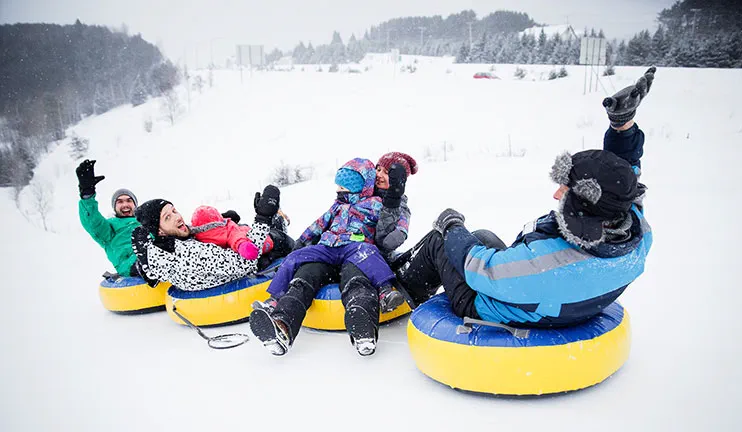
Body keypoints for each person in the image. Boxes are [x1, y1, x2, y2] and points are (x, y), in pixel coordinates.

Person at [397, 67, 656, 328]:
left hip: (490, 305)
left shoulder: (550, 262)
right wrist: (622, 126)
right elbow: (623, 179)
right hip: (551, 296)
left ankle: (402, 296)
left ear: (585, 205)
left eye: (566, 187)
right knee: (483, 236)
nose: (556, 194)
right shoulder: (634, 232)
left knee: (440, 242)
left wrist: (452, 225)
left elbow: (480, 268)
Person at [250, 158, 397, 356]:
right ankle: (279, 317)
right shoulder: (336, 206)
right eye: (338, 186)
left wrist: (394, 201)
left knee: (366, 261)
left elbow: (387, 228)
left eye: (343, 187)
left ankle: (373, 311)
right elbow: (318, 225)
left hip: (355, 248)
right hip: (328, 248)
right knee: (297, 263)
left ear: (359, 187)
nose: (339, 190)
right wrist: (301, 244)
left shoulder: (375, 204)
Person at [131, 185, 290, 291]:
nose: (177, 217)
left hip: (225, 258)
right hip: (248, 265)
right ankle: (278, 224)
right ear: (160, 231)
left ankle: (275, 223)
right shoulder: (187, 254)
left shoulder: (162, 249)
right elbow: (246, 262)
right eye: (167, 217)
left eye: (174, 211)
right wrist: (263, 218)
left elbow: (194, 234)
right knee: (280, 240)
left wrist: (219, 222)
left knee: (243, 228)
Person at [76, 159, 141, 277]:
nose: (125, 204)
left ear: (135, 205)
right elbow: (93, 222)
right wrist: (87, 195)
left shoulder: (146, 222)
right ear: (115, 207)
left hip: (156, 255)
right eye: (120, 202)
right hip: (132, 265)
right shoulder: (110, 227)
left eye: (129, 200)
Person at [372, 152, 418, 311]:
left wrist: (392, 201)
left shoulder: (401, 207)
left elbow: (384, 242)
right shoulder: (364, 195)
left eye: (386, 173)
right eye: (378, 169)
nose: (379, 175)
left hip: (377, 259)